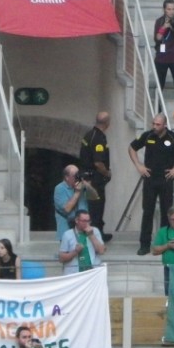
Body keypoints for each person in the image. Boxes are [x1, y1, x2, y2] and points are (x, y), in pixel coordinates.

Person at [129, 113, 174, 256]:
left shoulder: (173, 138)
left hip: (166, 180)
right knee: (148, 212)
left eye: (158, 124)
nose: (154, 126)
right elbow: (132, 148)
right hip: (150, 179)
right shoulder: (147, 136)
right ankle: (144, 244)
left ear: (164, 125)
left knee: (166, 212)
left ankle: (164, 243)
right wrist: (139, 165)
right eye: (153, 123)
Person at [78, 111, 112, 240]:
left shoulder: (89, 135)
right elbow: (98, 162)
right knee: (97, 207)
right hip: (95, 179)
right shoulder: (98, 138)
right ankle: (97, 234)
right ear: (107, 123)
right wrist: (107, 173)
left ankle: (98, 231)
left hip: (88, 177)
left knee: (93, 206)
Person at [153, 0, 174, 105]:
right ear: (164, 10)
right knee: (159, 85)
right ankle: (157, 111)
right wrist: (164, 27)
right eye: (169, 9)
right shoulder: (159, 21)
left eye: (173, 9)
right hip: (162, 58)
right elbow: (157, 38)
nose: (171, 11)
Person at [53, 165, 98, 237]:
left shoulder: (82, 185)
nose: (78, 177)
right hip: (67, 229)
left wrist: (88, 185)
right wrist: (77, 192)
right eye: (75, 175)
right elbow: (67, 209)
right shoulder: (59, 188)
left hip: (83, 227)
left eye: (78, 174)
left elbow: (95, 197)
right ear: (67, 177)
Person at [58, 210, 105, 275]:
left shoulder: (95, 231)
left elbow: (101, 251)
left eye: (88, 221)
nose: (87, 223)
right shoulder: (67, 234)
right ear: (77, 220)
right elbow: (61, 258)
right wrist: (75, 252)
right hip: (74, 273)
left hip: (93, 272)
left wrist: (91, 235)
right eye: (84, 221)